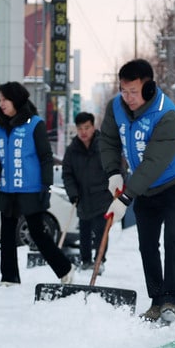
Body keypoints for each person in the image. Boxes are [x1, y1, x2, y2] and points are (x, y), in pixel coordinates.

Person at [97, 59, 175, 324]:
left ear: (149, 87)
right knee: (147, 243)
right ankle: (156, 300)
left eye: (133, 91)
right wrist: (113, 172)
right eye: (123, 90)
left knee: (173, 237)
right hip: (145, 184)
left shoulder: (167, 115)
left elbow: (154, 162)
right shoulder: (116, 107)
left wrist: (126, 197)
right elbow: (108, 140)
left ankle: (171, 301)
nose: (127, 97)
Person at [0, 81, 75, 287]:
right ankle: (9, 277)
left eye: (5, 99)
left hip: (30, 189)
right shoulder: (0, 126)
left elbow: (46, 157)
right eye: (0, 100)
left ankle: (65, 269)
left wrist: (46, 186)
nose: (2, 104)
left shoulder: (34, 124)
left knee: (37, 233)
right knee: (7, 234)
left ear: (17, 100)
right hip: (8, 188)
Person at [60, 111, 111, 268]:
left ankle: (99, 261)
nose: (83, 132)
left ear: (93, 127)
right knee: (84, 233)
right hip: (82, 198)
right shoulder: (72, 150)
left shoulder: (104, 146)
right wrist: (73, 193)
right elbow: (67, 174)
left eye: (87, 128)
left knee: (101, 232)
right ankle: (86, 261)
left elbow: (115, 168)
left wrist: (113, 189)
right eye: (80, 128)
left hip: (102, 198)